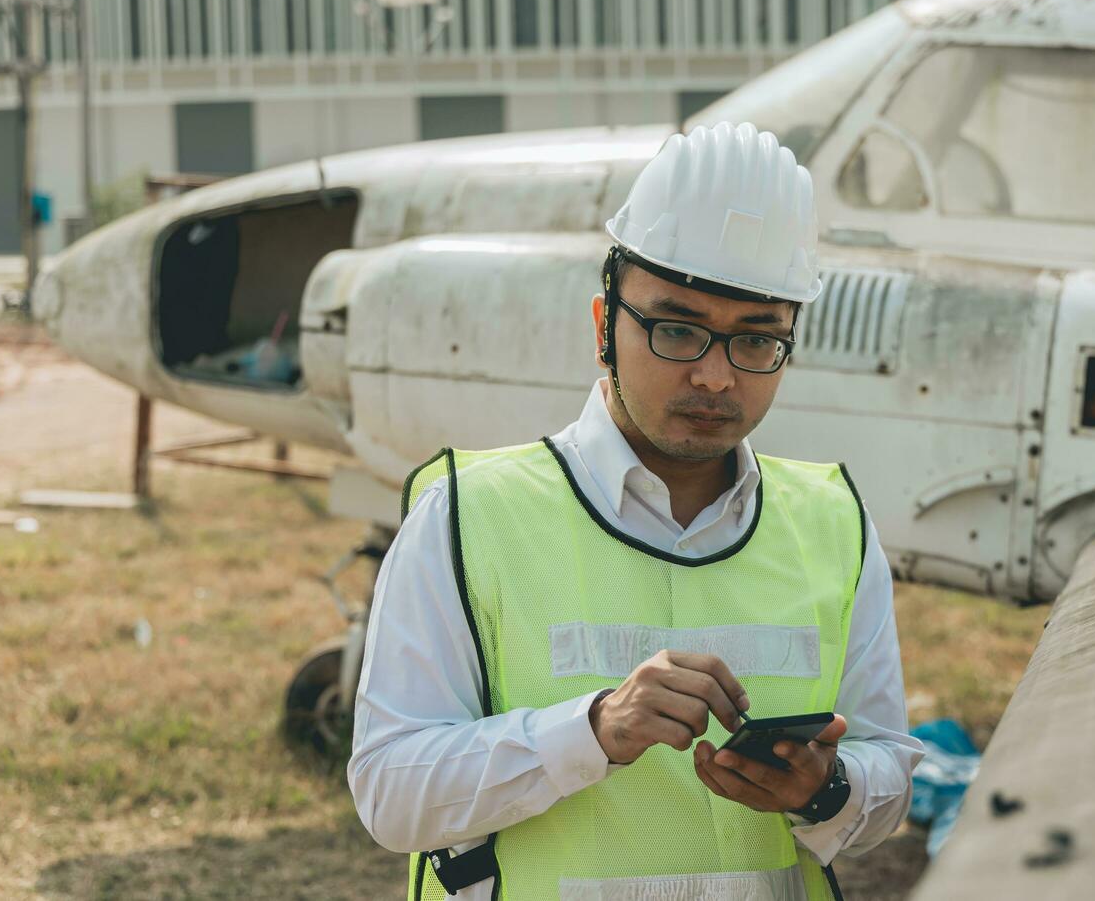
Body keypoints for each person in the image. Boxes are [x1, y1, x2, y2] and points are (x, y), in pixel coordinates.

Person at [349, 122, 923, 900]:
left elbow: (888, 777)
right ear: (603, 328)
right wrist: (588, 732)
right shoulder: (468, 517)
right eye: (677, 329)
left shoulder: (833, 525)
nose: (717, 378)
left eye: (757, 341)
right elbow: (391, 795)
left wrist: (826, 791)